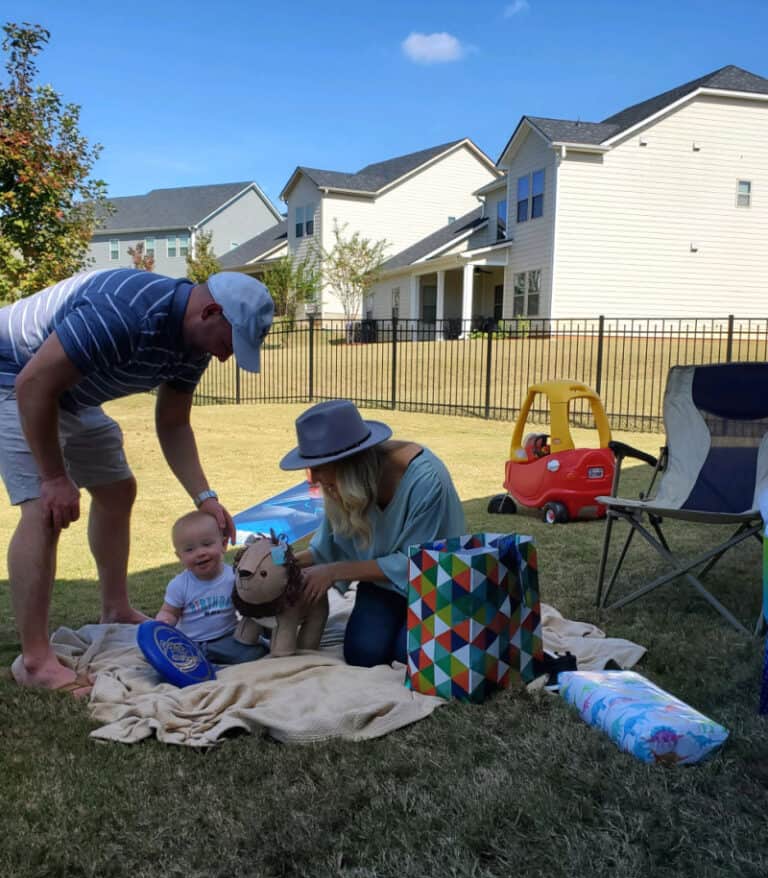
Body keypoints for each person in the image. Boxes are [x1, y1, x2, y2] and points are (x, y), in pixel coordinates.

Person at [0, 267, 274, 696]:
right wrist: (54, 477)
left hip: (72, 391)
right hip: (15, 374)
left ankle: (115, 608)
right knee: (44, 508)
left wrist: (206, 497)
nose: (224, 357)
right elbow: (33, 384)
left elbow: (173, 422)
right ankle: (35, 661)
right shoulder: (127, 310)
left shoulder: (192, 344)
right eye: (228, 343)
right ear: (211, 312)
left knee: (117, 489)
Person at [279, 399, 466, 668]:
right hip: (384, 585)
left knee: (410, 655)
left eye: (320, 467)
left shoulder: (427, 481)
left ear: (348, 464)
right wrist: (283, 563)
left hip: (436, 583)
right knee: (363, 653)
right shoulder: (344, 485)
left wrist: (334, 572)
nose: (313, 477)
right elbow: (328, 547)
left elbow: (420, 564)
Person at [155, 510, 265, 665]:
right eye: (189, 550)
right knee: (170, 663)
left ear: (223, 544)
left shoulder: (233, 577)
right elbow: (169, 611)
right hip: (191, 643)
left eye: (207, 544)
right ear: (180, 557)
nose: (200, 553)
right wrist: (164, 621)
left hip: (227, 637)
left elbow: (247, 602)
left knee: (255, 652)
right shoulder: (179, 585)